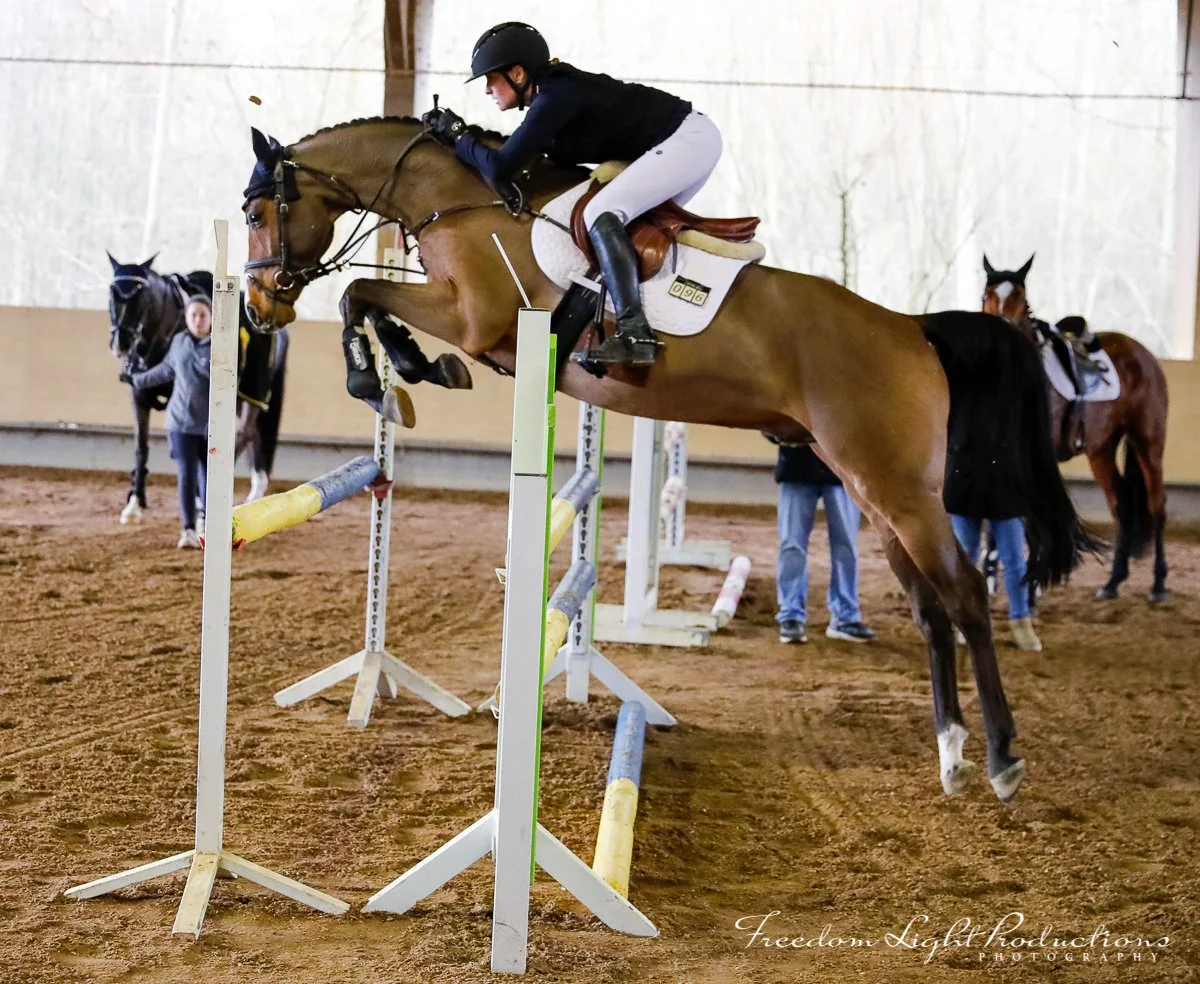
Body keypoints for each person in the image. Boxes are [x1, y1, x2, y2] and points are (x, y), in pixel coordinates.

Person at [422, 22, 722, 367]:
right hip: (687, 142)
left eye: (491, 79)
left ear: (517, 74)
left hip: (687, 141)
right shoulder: (550, 95)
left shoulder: (556, 95)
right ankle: (637, 322)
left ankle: (635, 333)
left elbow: (501, 165)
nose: (487, 89)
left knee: (600, 213)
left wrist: (460, 136)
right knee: (623, 229)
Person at [943, 407, 1044, 652]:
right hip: (965, 477)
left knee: (1014, 559)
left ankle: (1021, 620)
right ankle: (964, 618)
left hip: (1007, 482)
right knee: (965, 556)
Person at [125, 296, 212, 548]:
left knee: (209, 475)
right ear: (186, 318)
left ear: (211, 318)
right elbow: (166, 370)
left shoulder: (222, 345)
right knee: (187, 473)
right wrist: (137, 380)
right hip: (180, 423)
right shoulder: (179, 342)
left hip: (210, 424)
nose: (198, 320)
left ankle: (207, 522)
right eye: (193, 315)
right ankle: (188, 529)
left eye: (203, 315)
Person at [774, 444, 876, 645]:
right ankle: (791, 615)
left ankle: (845, 616)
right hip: (798, 468)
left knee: (845, 546)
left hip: (841, 471)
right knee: (792, 545)